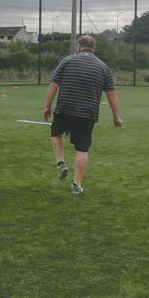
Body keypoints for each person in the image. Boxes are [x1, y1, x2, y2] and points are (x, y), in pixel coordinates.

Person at [43, 36, 122, 194]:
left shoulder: (67, 61)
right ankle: (76, 185)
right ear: (94, 48)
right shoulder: (103, 67)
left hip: (65, 108)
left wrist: (47, 106)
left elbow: (53, 85)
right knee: (82, 149)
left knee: (56, 133)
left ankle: (60, 163)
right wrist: (116, 117)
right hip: (87, 113)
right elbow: (112, 94)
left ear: (78, 47)